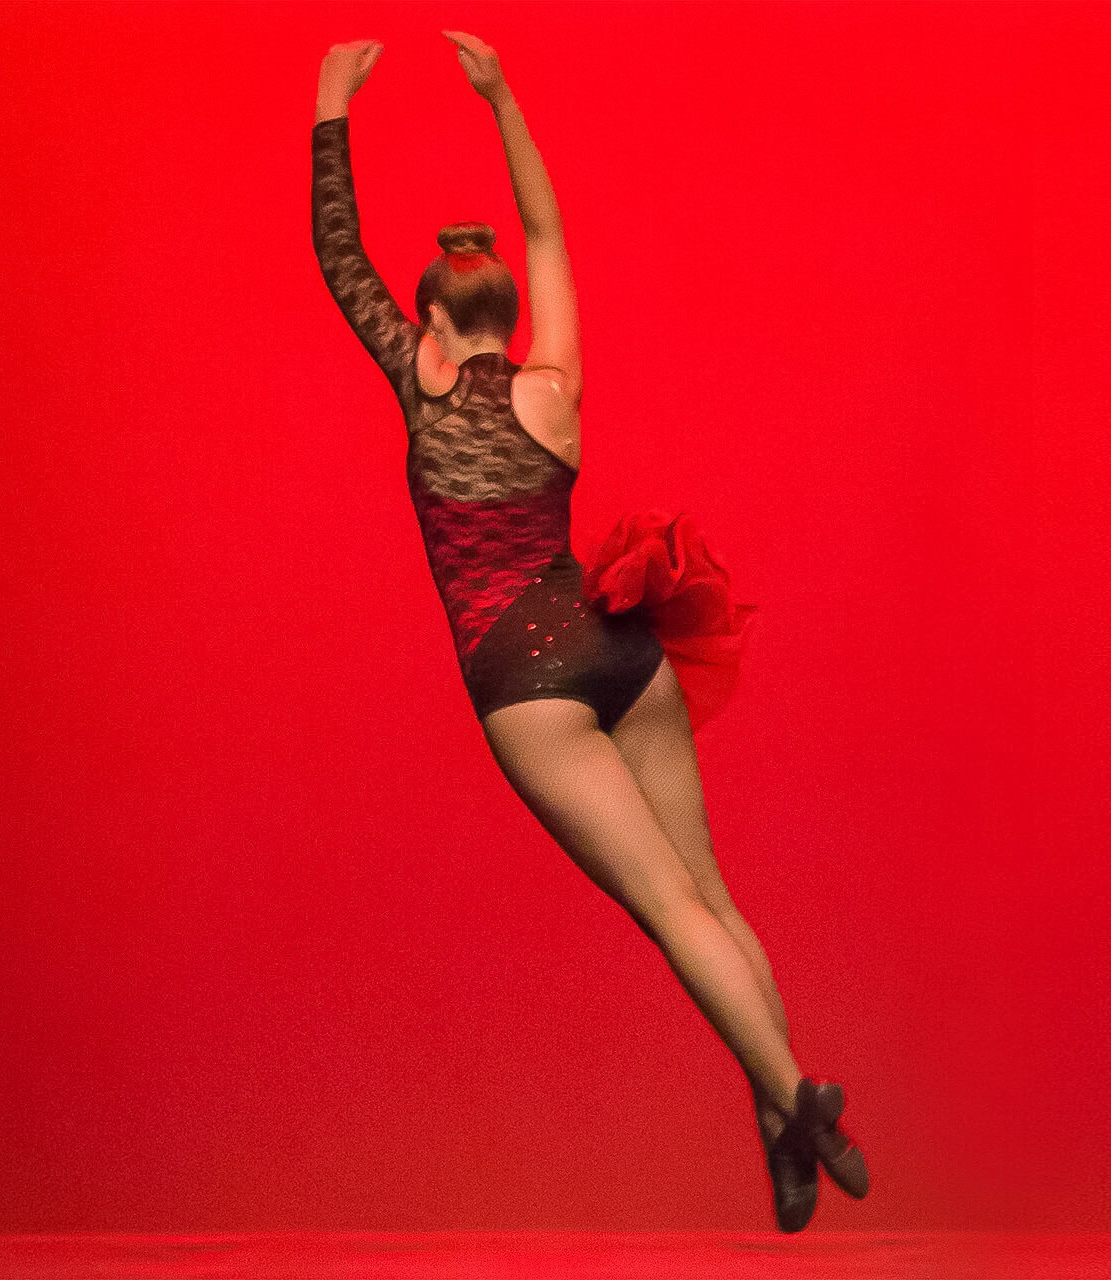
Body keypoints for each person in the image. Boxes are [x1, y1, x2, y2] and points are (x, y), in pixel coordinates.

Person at [310, 33, 867, 1232]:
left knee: (665, 908)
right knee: (707, 892)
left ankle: (798, 1095)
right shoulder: (554, 387)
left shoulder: (418, 383)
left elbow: (335, 252)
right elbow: (550, 235)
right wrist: (502, 96)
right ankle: (782, 1116)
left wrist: (331, 107)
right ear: (511, 315)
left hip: (526, 677)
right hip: (621, 647)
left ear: (425, 322)